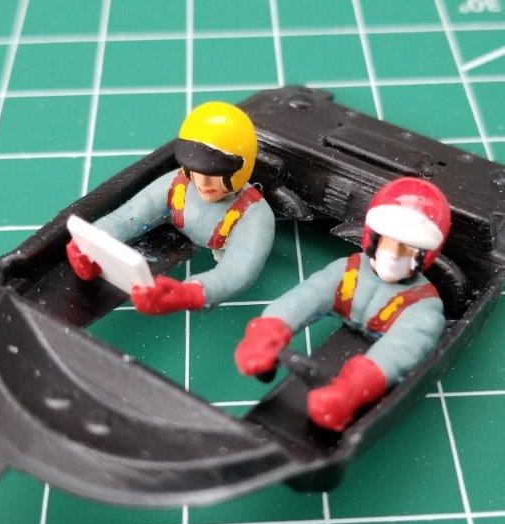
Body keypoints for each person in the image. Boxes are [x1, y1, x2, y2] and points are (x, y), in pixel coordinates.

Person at [234, 178, 450, 431]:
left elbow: (396, 352)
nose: (393, 257)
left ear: (424, 256)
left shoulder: (423, 307)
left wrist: (352, 390)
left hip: (367, 365)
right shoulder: (350, 271)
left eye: (406, 251)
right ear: (373, 238)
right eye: (387, 243)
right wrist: (267, 330)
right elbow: (309, 296)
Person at [66, 102, 275, 315]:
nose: (203, 182)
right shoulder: (178, 184)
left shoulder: (253, 215)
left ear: (240, 170)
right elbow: (130, 216)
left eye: (216, 172)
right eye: (197, 168)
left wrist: (192, 293)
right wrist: (92, 240)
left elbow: (239, 268)